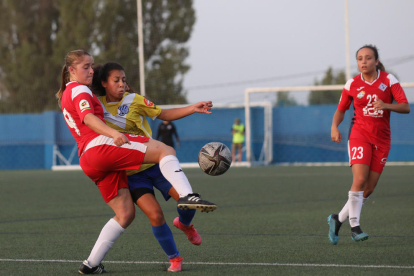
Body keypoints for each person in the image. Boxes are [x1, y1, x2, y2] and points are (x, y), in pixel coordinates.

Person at [56, 50, 216, 274]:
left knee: (125, 214)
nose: (91, 70)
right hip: (102, 149)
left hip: (89, 159)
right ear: (71, 70)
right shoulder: (80, 89)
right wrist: (112, 134)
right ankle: (186, 206)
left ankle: (90, 264)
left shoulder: (72, 93)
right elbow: (88, 118)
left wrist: (191, 108)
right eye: (86, 67)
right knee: (165, 150)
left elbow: (161, 113)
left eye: (92, 66)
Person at [328, 45, 410, 245]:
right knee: (360, 179)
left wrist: (386, 105)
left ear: (376, 61)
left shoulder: (389, 80)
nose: (363, 62)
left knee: (369, 188)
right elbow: (341, 110)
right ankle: (355, 227)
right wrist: (334, 126)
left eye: (368, 58)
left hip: (382, 139)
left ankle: (337, 219)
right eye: (360, 59)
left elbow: (405, 106)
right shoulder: (352, 84)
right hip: (359, 135)